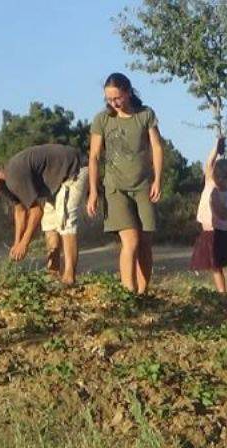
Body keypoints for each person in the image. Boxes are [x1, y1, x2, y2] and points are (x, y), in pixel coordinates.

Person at [87, 73, 164, 294]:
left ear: (128, 92)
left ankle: (142, 292)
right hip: (115, 188)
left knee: (145, 243)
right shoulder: (102, 120)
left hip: (143, 187)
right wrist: (93, 191)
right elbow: (94, 156)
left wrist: (157, 179)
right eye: (109, 99)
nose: (114, 103)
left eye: (117, 98)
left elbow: (156, 148)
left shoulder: (145, 115)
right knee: (130, 241)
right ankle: (128, 293)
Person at [0, 144, 88, 285]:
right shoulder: (4, 186)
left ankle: (69, 277)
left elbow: (36, 211)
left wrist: (25, 243)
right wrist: (17, 243)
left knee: (65, 220)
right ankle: (53, 273)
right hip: (55, 183)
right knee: (49, 225)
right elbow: (20, 210)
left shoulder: (13, 177)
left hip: (73, 169)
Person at [190, 137, 227, 293]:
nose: (221, 181)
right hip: (209, 233)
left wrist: (216, 204)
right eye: (219, 176)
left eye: (226, 179)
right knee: (215, 266)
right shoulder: (210, 182)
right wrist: (216, 146)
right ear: (215, 174)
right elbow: (209, 162)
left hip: (225, 234)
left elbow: (226, 216)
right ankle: (223, 293)